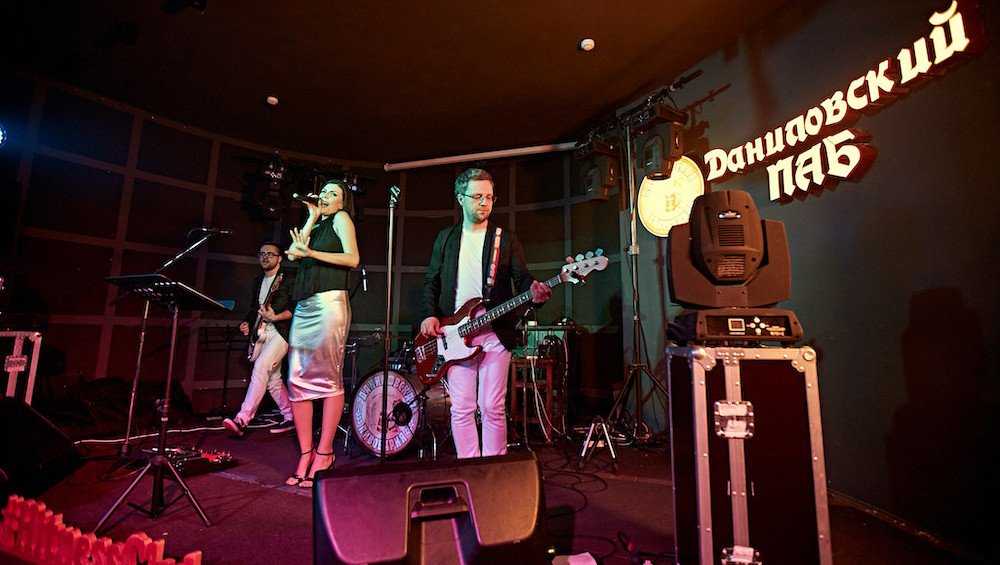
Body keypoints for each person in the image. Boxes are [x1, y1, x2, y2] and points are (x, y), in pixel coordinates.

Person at [419, 168, 551, 458]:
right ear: (460, 198)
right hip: (456, 334)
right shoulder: (446, 238)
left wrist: (535, 292)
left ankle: (494, 469)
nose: (484, 202)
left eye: (489, 197)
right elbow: (431, 281)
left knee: (492, 406)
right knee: (462, 407)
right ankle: (470, 468)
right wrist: (429, 314)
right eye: (477, 196)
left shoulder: (505, 239)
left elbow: (523, 279)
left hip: (495, 332)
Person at [283, 180, 359, 487]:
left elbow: (352, 258)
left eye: (333, 193)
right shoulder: (316, 224)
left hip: (329, 304)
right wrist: (312, 217)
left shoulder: (341, 219)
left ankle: (325, 452)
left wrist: (312, 252)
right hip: (305, 305)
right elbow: (292, 254)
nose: (326, 196)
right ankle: (306, 452)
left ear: (342, 202)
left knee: (328, 377)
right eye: (324, 192)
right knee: (296, 377)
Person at [223, 242, 295, 436]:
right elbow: (254, 309)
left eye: (270, 254)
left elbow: (296, 308)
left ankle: (242, 419)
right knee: (273, 380)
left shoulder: (288, 279)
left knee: (261, 367)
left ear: (280, 258)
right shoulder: (258, 281)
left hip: (281, 332)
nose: (265, 257)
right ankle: (291, 416)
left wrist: (276, 317)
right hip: (261, 332)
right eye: (262, 253)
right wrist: (246, 323)